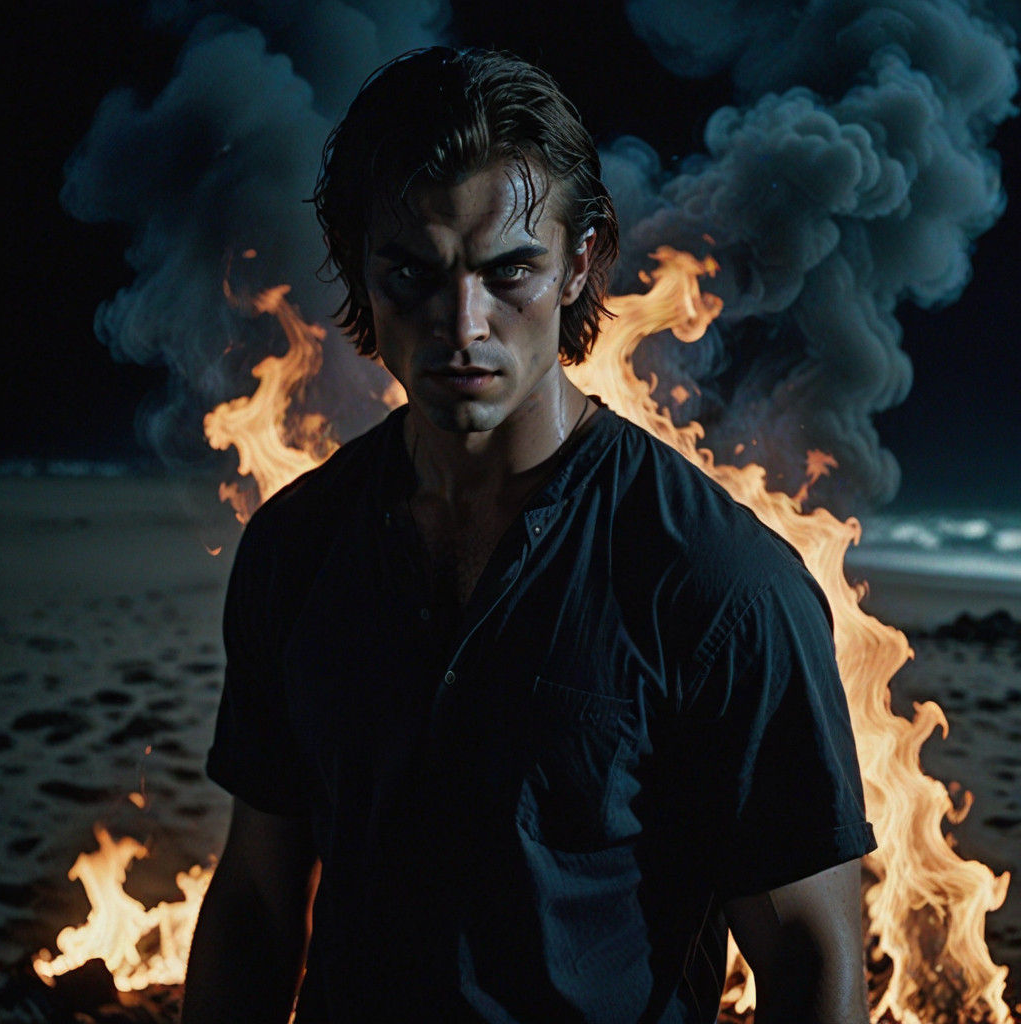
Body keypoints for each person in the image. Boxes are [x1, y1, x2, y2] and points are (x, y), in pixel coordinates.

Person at [183, 46, 877, 1024]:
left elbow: (808, 951)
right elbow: (259, 895)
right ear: (356, 266)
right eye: (413, 272)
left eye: (508, 269)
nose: (461, 324)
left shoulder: (717, 583)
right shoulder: (297, 547)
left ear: (580, 261)